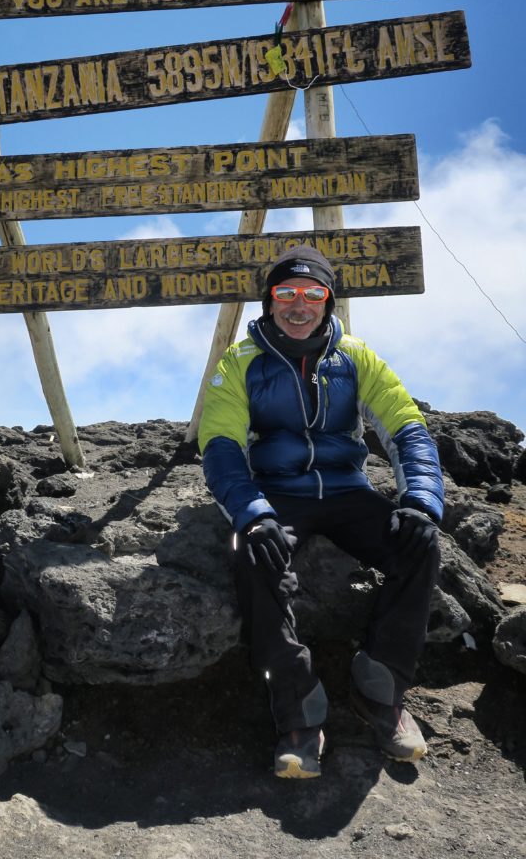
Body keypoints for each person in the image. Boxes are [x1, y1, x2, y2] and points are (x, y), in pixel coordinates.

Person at [198, 246, 443, 779]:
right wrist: (252, 513)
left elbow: (405, 427)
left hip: (349, 491)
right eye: (286, 294)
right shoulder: (240, 362)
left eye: (313, 294)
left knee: (420, 544)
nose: (299, 305)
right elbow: (220, 446)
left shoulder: (356, 356)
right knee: (254, 556)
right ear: (269, 301)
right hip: (278, 492)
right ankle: (299, 713)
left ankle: (380, 692)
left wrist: (421, 501)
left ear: (328, 300)